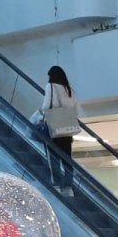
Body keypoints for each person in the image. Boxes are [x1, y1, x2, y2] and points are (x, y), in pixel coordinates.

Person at [37, 66, 80, 194]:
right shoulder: (69, 90)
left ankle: (57, 184)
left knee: (54, 157)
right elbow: (73, 107)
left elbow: (49, 105)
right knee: (67, 158)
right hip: (67, 127)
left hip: (54, 126)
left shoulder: (51, 86)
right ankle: (68, 185)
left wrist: (41, 113)